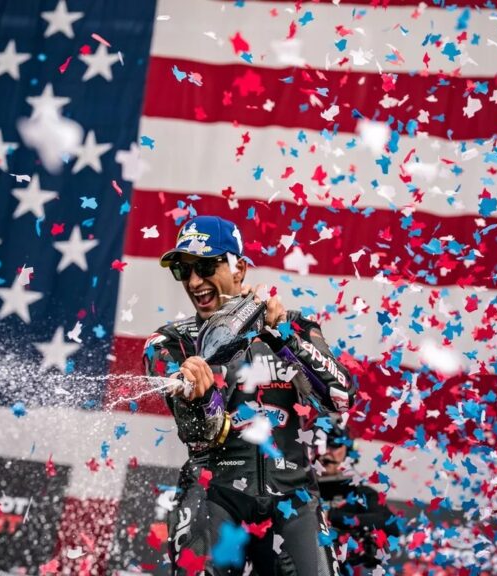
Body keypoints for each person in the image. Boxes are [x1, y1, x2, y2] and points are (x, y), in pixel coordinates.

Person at [144, 215, 356, 576]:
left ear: (238, 268)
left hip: (293, 497)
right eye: (184, 270)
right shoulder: (169, 342)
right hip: (215, 495)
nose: (194, 281)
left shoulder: (293, 325)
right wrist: (200, 397)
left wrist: (284, 337)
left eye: (206, 266)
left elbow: (341, 397)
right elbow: (201, 434)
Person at [315, 420, 401, 574]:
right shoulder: (296, 490)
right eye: (318, 445)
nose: (325, 452)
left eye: (334, 444)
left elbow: (389, 523)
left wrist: (331, 516)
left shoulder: (360, 492)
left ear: (348, 449)